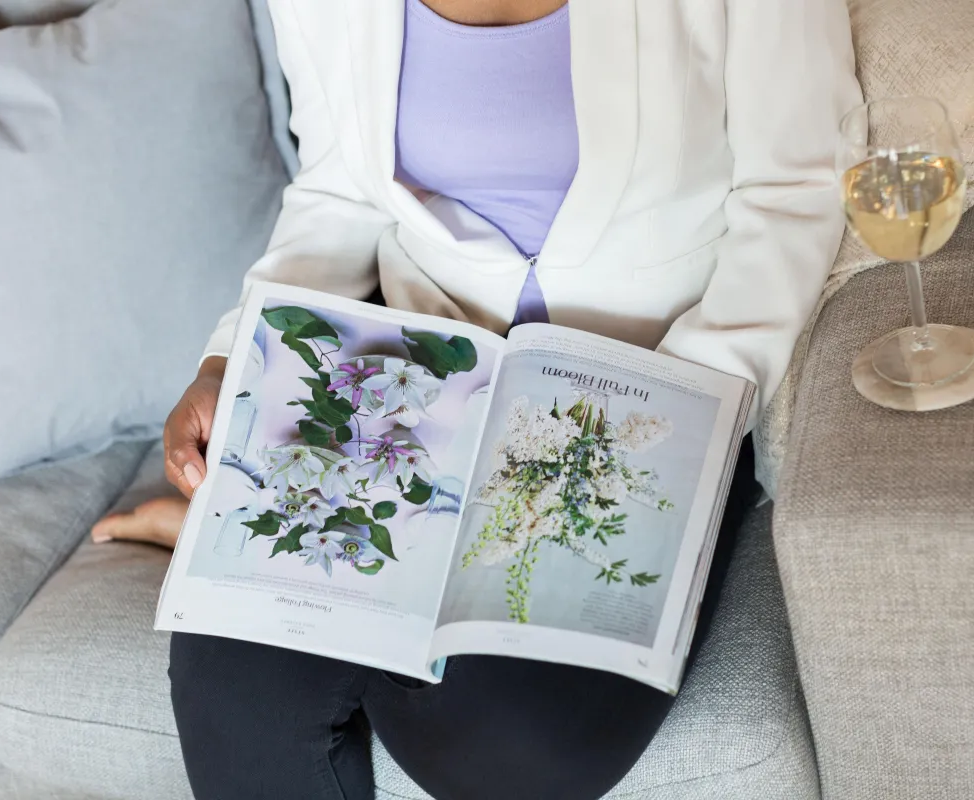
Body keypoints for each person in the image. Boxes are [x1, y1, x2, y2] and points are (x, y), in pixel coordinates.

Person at [95, 1, 860, 797]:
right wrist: (230, 360)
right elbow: (339, 192)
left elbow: (797, 188)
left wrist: (680, 407)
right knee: (232, 695)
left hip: (655, 393)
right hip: (416, 390)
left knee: (508, 748)